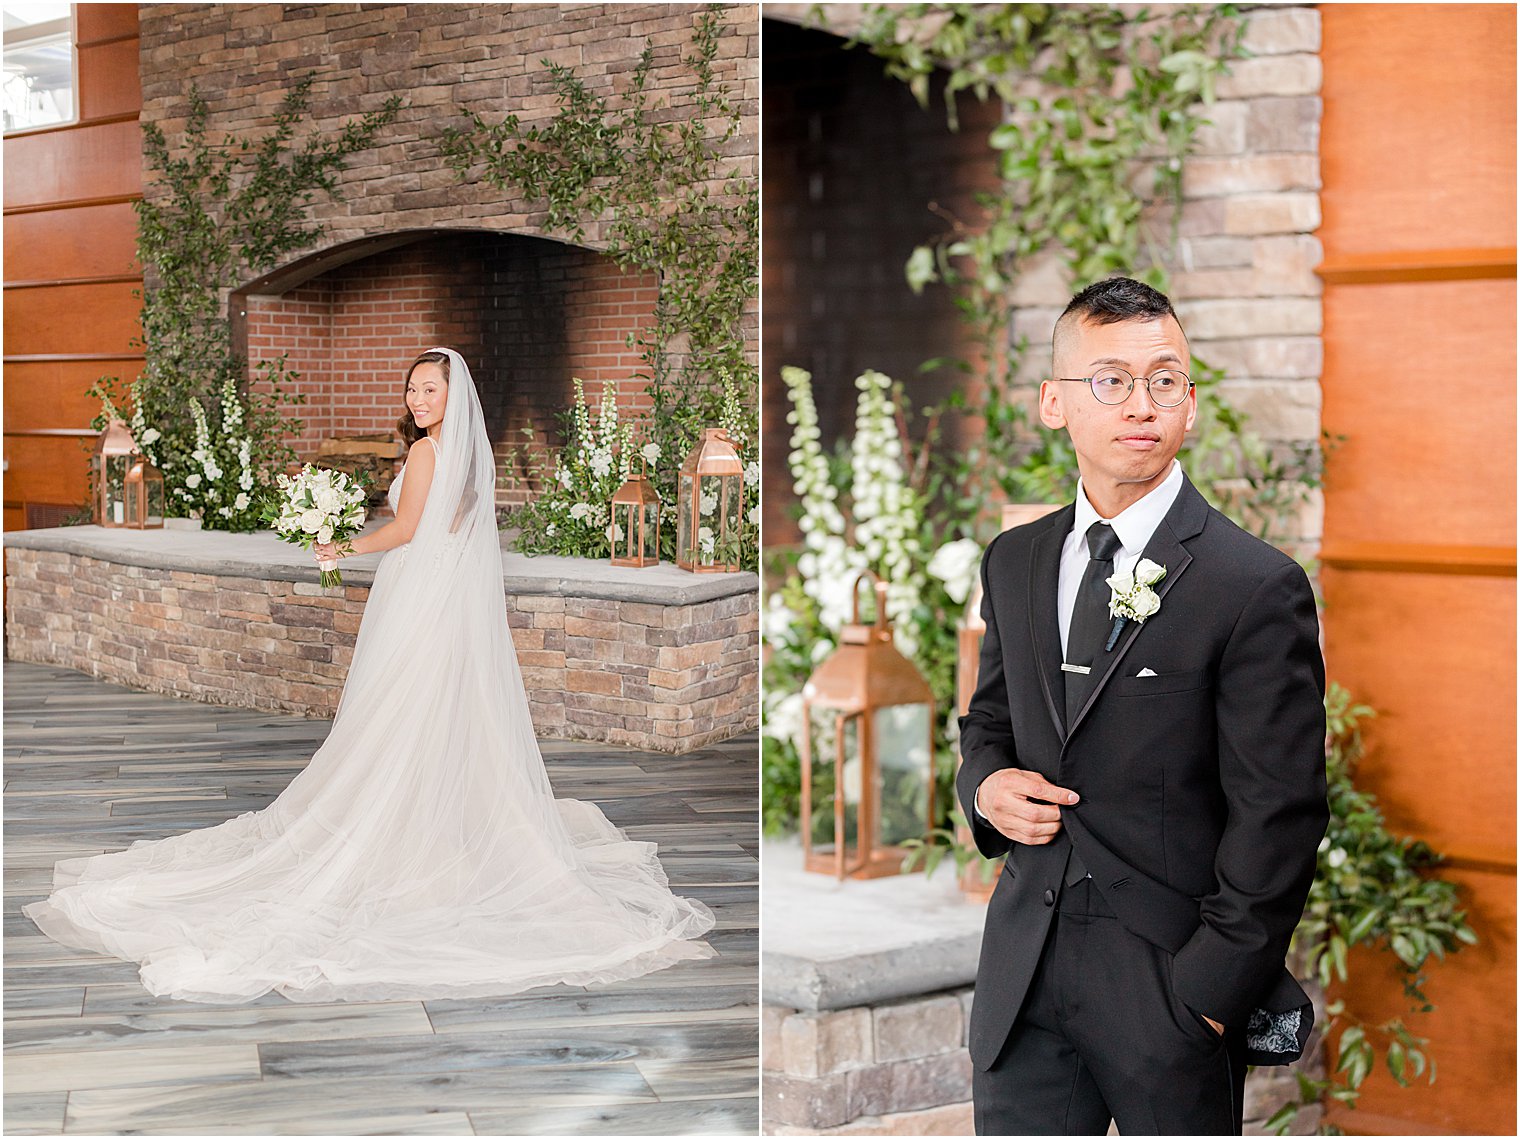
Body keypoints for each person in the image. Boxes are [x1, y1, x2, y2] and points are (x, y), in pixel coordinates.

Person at [24, 348, 715, 1003]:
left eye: (429, 389)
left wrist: (339, 543)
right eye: (412, 388)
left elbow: (408, 526)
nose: (417, 399)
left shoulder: (424, 451)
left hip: (418, 591)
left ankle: (402, 829)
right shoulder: (474, 455)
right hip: (450, 599)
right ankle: (443, 828)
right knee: (438, 710)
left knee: (399, 711)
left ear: (454, 396)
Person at [958, 278, 1328, 1135]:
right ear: (1055, 401)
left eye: (1166, 380)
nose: (1143, 403)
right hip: (1024, 971)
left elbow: (1282, 811)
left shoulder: (1254, 585)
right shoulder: (1014, 559)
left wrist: (1206, 994)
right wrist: (985, 787)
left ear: (1190, 405)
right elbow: (987, 723)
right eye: (1111, 379)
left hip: (1169, 982)